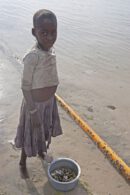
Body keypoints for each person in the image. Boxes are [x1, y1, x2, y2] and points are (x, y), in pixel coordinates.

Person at [15, 9, 62, 179]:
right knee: (30, 132)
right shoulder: (32, 57)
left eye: (53, 32)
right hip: (34, 106)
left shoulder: (51, 50)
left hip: (49, 103)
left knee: (45, 130)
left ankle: (42, 152)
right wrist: (33, 111)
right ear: (34, 32)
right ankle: (22, 162)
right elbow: (25, 87)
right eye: (44, 33)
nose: (50, 37)